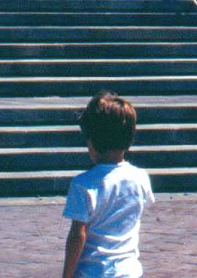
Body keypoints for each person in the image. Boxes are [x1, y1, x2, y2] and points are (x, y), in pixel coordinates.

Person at [62, 91, 154, 278]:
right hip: (129, 271)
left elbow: (78, 235)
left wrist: (67, 275)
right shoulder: (140, 177)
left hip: (94, 272)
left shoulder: (83, 184)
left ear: (93, 142)